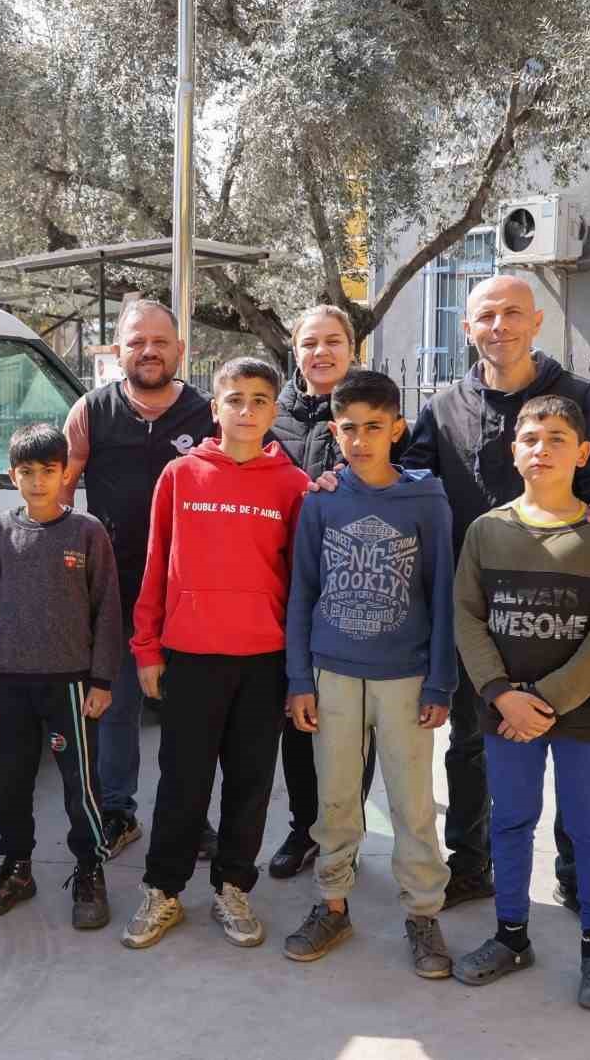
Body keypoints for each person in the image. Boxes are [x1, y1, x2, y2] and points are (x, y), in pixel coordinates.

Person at [395, 274, 590, 922]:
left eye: (513, 314)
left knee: (569, 746)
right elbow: (406, 479)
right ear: (467, 328)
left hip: (566, 609)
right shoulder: (443, 407)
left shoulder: (580, 398)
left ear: (536, 322)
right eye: (486, 316)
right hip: (479, 610)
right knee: (470, 744)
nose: (500, 326)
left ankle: (580, 880)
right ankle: (469, 867)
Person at [120, 357, 310, 950]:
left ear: (274, 411)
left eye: (259, 400)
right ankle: (164, 889)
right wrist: (146, 648)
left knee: (250, 782)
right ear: (214, 408)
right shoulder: (180, 476)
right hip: (191, 656)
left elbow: (302, 585)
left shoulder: (294, 485)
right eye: (234, 399)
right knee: (182, 779)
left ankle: (233, 885)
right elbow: (155, 566)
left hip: (263, 661)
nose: (246, 410)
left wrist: (298, 669)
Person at [450, 395, 590, 1010]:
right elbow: (468, 619)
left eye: (557, 438)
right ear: (514, 451)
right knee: (510, 821)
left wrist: (545, 702)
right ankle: (511, 936)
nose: (542, 448)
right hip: (506, 716)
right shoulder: (487, 531)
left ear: (582, 453)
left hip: (581, 716)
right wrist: (503, 696)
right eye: (531, 438)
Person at [279, 370, 458, 979]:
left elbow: (441, 595)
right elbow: (302, 591)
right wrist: (298, 678)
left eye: (373, 428)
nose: (360, 440)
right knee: (335, 798)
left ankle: (422, 914)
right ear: (334, 430)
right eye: (349, 429)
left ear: (397, 429)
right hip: (332, 674)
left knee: (411, 804)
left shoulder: (426, 499)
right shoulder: (321, 499)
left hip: (405, 677)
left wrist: (441, 681)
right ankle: (332, 902)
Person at [61, 300, 219, 861]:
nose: (148, 351)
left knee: (187, 712)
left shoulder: (209, 415)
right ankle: (118, 811)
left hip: (191, 591)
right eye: (135, 342)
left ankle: (190, 818)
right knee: (116, 703)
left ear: (181, 349)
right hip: (114, 589)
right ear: (118, 350)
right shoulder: (90, 411)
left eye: (159, 341)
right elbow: (59, 490)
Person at [0, 423, 124, 929]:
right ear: (13, 476)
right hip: (13, 683)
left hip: (71, 685)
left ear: (64, 475)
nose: (38, 481)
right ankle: (16, 866)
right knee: (10, 784)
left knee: (80, 786)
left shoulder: (87, 532)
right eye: (27, 472)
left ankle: (89, 869)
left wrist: (102, 680)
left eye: (48, 471)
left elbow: (107, 612)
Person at [264, 305, 399, 879]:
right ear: (294, 353)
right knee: (300, 716)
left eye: (333, 342)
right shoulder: (273, 419)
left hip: (357, 589)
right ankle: (305, 828)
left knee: (356, 723)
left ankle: (345, 824)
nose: (321, 353)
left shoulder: (377, 416)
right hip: (286, 589)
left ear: (353, 349)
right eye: (309, 344)